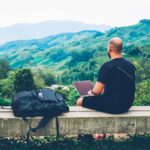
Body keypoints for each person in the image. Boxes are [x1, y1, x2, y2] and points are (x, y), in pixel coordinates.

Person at [76, 37, 136, 114]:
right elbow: (122, 85)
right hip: (127, 104)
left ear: (110, 48)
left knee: (80, 101)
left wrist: (91, 92)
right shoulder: (130, 65)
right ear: (120, 49)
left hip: (113, 105)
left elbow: (97, 92)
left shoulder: (107, 66)